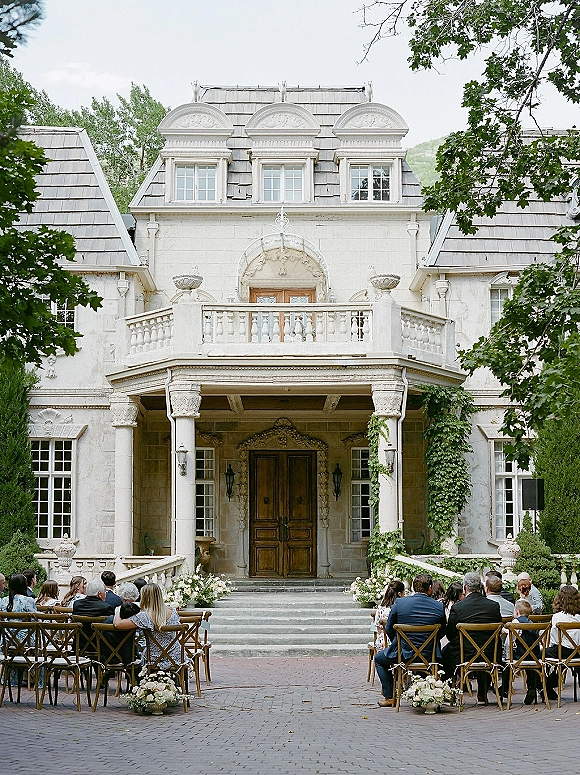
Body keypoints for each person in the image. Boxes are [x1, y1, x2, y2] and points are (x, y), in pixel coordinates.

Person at [374, 573, 446, 707]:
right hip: (429, 654)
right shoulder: (438, 606)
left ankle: (390, 696)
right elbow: (442, 631)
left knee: (378, 659)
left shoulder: (400, 603)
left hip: (403, 653)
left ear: (413, 588)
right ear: (430, 588)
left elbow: (389, 628)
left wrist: (399, 643)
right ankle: (425, 693)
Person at [442, 572, 502, 702]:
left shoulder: (458, 607)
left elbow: (450, 634)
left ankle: (448, 693)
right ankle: (482, 693)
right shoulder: (493, 606)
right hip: (490, 653)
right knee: (485, 650)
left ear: (464, 588)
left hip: (464, 653)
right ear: (481, 586)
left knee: (444, 655)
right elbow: (497, 631)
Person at [113, 582, 187, 670]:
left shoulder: (144, 616)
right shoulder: (173, 612)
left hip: (153, 658)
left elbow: (118, 624)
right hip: (176, 657)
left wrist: (118, 610)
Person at [543, 585, 580, 701]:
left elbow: (555, 639)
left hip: (561, 651)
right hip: (578, 652)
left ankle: (543, 687)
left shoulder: (557, 617)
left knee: (536, 655)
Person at [507, 599, 540, 705]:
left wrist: (508, 655)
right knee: (531, 668)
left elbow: (509, 641)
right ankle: (532, 687)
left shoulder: (516, 622)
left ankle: (504, 688)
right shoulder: (532, 623)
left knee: (506, 665)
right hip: (534, 656)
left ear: (516, 612)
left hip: (520, 655)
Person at [373, 580, 405, 651]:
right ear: (400, 594)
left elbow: (377, 629)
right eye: (404, 592)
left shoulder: (380, 608)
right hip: (395, 644)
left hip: (381, 642)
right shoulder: (399, 608)